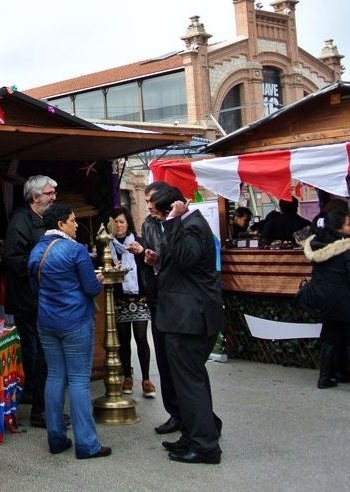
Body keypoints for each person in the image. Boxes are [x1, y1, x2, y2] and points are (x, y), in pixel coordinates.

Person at [143, 185, 224, 464]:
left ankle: (205, 446)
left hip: (190, 319)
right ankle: (193, 435)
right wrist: (159, 259)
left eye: (150, 201)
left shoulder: (190, 225)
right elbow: (181, 261)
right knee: (187, 382)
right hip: (183, 318)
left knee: (191, 384)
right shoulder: (185, 226)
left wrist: (174, 221)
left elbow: (188, 258)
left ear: (168, 203)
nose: (147, 207)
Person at [28, 203, 108, 459]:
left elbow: (35, 288)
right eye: (73, 221)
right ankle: (87, 444)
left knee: (54, 377)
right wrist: (99, 281)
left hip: (47, 321)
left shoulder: (36, 251)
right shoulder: (76, 251)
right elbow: (91, 289)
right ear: (61, 224)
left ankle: (56, 438)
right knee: (78, 381)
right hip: (75, 321)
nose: (76, 225)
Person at [4, 175, 57, 428]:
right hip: (28, 299)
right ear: (35, 197)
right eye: (49, 193)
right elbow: (15, 259)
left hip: (43, 297)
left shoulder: (44, 219)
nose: (53, 196)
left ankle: (37, 398)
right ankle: (40, 409)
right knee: (36, 351)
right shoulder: (20, 221)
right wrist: (44, 267)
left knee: (41, 351)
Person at [301, 210, 350, 392]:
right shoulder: (349, 250)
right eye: (349, 224)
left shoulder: (316, 247)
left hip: (327, 303)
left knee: (329, 340)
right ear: (338, 228)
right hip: (349, 303)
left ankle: (325, 378)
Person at [108, 207, 155, 398]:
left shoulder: (138, 243)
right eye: (115, 222)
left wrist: (141, 252)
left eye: (122, 222)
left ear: (128, 223)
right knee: (123, 340)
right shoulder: (107, 245)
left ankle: (146, 379)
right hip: (120, 299)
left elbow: (149, 265)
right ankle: (127, 376)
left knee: (142, 338)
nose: (119, 226)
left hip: (139, 297)